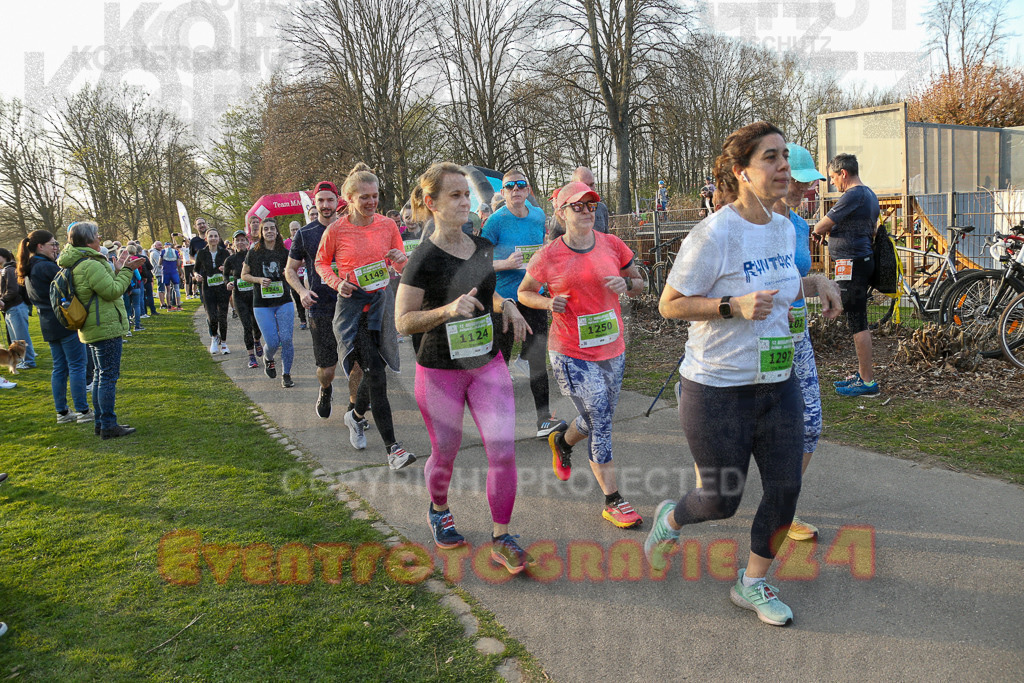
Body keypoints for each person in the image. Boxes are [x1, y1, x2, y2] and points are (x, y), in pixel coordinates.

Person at [646, 122, 842, 626]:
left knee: (785, 489)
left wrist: (814, 281)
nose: (784, 168)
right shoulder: (713, 234)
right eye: (771, 158)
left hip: (777, 383)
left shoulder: (782, 226)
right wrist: (731, 306)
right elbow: (669, 305)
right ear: (742, 172)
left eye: (785, 158)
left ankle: (751, 582)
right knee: (720, 500)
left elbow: (779, 288)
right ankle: (671, 517)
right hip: (716, 387)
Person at [396, 162, 534, 572]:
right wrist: (446, 310)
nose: (465, 201)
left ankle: (501, 537)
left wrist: (505, 304)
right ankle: (438, 509)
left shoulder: (481, 247)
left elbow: (484, 293)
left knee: (503, 450)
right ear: (430, 203)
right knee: (447, 451)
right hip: (439, 370)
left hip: (487, 362)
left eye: (465, 194)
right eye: (454, 195)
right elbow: (404, 320)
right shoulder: (422, 258)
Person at [518, 181, 645, 529]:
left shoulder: (612, 244)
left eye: (591, 205)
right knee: (600, 419)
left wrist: (628, 285)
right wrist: (546, 302)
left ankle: (561, 440)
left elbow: (639, 282)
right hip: (571, 352)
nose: (587, 211)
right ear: (561, 213)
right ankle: (613, 500)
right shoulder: (548, 256)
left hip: (612, 349)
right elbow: (524, 292)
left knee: (594, 419)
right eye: (578, 206)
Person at [315, 162, 416, 470]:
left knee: (376, 371)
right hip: (352, 311)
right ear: (349, 198)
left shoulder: (387, 226)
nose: (372, 202)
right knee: (376, 375)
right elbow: (321, 264)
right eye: (365, 197)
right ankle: (393, 450)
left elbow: (399, 266)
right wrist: (337, 282)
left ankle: (356, 416)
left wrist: (401, 261)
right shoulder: (337, 230)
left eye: (375, 196)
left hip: (382, 308)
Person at [482, 169, 566, 438]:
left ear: (528, 189)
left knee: (537, 360)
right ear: (503, 192)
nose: (516, 190)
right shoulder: (495, 222)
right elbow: (477, 263)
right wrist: (505, 264)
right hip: (504, 301)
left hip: (534, 295)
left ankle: (543, 420)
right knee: (500, 363)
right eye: (510, 187)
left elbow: (540, 249)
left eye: (521, 185)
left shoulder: (538, 216)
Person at [58, 221, 142, 439]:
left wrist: (115, 270)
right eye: (96, 235)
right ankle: (108, 424)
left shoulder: (79, 261)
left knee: (100, 375)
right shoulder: (90, 264)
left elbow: (102, 287)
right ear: (87, 240)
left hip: (94, 326)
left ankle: (102, 422)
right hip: (104, 326)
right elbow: (112, 291)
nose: (99, 238)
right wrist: (127, 271)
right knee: (107, 377)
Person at [813, 153, 880, 397]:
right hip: (858, 261)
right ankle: (864, 376)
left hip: (854, 264)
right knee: (856, 319)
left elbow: (821, 224)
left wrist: (823, 231)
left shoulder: (853, 194)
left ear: (844, 173)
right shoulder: (869, 194)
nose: (832, 183)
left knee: (857, 321)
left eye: (832, 177)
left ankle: (868, 383)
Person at [18, 230, 92, 424]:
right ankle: (82, 411)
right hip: (64, 320)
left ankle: (62, 412)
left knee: (60, 367)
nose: (56, 248)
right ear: (40, 246)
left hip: (48, 324)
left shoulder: (29, 269)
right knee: (77, 365)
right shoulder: (46, 267)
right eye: (52, 244)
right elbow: (70, 288)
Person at [242, 218, 296, 387]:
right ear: (261, 232)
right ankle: (268, 357)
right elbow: (244, 275)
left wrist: (287, 272)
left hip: (283, 301)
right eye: (266, 229)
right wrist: (258, 280)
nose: (269, 231)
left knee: (286, 339)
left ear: (277, 231)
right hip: (262, 304)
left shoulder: (284, 252)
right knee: (272, 342)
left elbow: (293, 270)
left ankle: (286, 374)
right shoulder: (254, 252)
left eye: (272, 228)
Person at [224, 230, 263, 367]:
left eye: (243, 240)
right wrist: (227, 283)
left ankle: (257, 340)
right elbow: (225, 275)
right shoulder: (230, 260)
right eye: (237, 240)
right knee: (247, 326)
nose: (240, 242)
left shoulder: (253, 256)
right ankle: (251, 357)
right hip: (239, 297)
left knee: (257, 325)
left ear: (248, 242)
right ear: (233, 243)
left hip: (255, 296)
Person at [193, 227, 232, 354]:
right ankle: (214, 338)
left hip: (222, 288)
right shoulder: (201, 253)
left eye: (216, 236)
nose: (213, 238)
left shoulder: (225, 253)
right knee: (212, 316)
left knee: (223, 316)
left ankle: (225, 343)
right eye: (211, 236)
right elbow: (195, 269)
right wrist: (196, 275)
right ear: (206, 239)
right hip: (208, 287)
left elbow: (232, 270)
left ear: (219, 238)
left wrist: (225, 269)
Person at [0, 247, 37, 369]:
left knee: (22, 338)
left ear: (3, 256)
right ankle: (22, 361)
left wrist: (2, 300)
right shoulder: (5, 270)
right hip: (10, 308)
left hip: (16, 306)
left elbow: (13, 290)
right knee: (16, 339)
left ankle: (29, 361)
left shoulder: (9, 269)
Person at [571, 166, 610, 234]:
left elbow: (606, 236)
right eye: (584, 185)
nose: (589, 189)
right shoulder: (567, 209)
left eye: (591, 185)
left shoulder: (601, 208)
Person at [160, 240, 183, 311]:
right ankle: (178, 306)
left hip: (165, 271)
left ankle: (169, 307)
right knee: (177, 289)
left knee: (168, 290)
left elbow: (159, 262)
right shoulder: (175, 252)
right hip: (174, 271)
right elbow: (178, 264)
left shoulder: (163, 251)